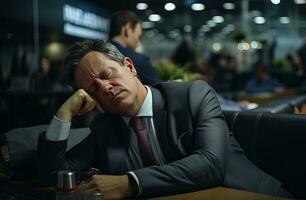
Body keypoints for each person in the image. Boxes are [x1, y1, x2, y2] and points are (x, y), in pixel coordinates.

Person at [37, 40, 291, 199]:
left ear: (130, 67)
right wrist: (64, 114)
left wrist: (130, 183)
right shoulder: (105, 127)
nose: (104, 88)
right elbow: (55, 176)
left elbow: (211, 164)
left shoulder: (193, 95)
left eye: (107, 74)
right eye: (93, 89)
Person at [109, 10, 161, 85]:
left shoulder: (96, 55)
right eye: (139, 37)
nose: (138, 44)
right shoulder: (141, 62)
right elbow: (159, 92)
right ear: (128, 29)